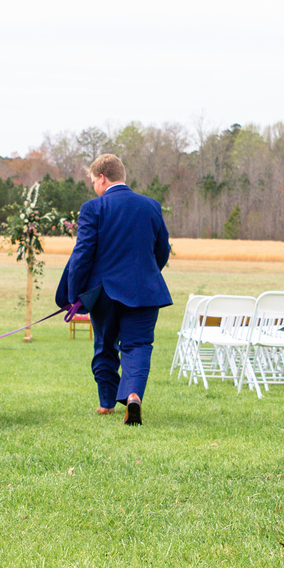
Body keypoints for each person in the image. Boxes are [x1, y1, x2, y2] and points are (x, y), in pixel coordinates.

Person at [55, 154, 172, 425]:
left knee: (105, 345)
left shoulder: (93, 208)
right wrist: (147, 273)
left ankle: (107, 403)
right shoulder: (151, 206)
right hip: (145, 291)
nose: (94, 186)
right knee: (139, 345)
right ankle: (133, 396)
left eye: (93, 180)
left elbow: (82, 254)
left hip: (105, 293)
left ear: (102, 178)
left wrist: (75, 296)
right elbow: (163, 250)